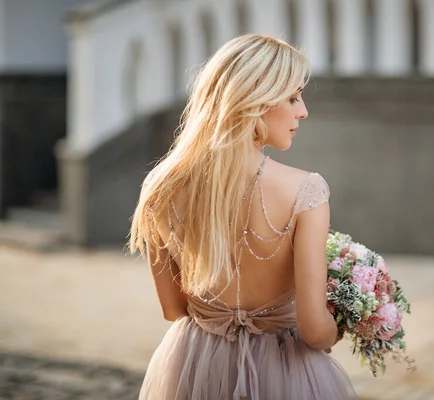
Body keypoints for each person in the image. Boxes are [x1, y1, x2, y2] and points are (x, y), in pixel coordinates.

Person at [129, 33, 357, 399]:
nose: (303, 111)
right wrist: (344, 324)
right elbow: (315, 331)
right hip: (284, 373)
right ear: (255, 102)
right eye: (293, 97)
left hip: (194, 366)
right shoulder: (305, 191)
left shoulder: (160, 186)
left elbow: (174, 309)